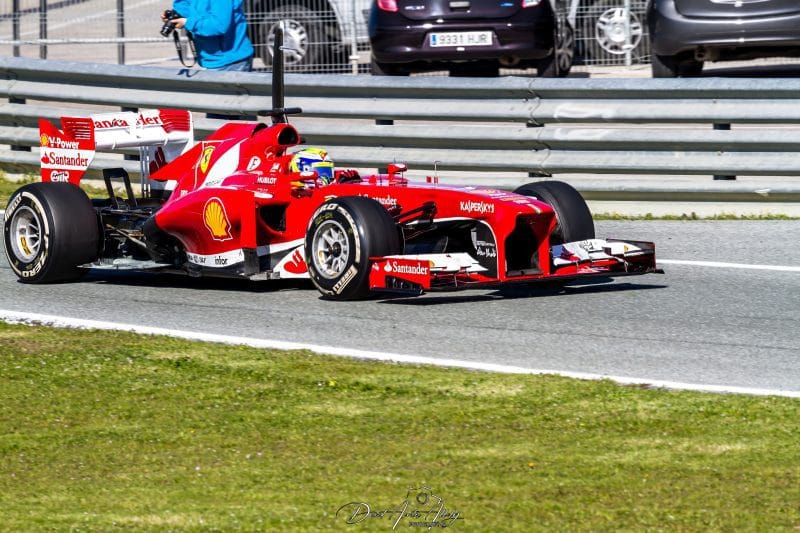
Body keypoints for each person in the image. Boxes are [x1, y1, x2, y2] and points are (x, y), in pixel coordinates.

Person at [162, 0, 254, 71]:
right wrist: (175, 15)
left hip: (231, 61)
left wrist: (188, 22)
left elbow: (219, 26)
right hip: (210, 60)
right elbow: (183, 5)